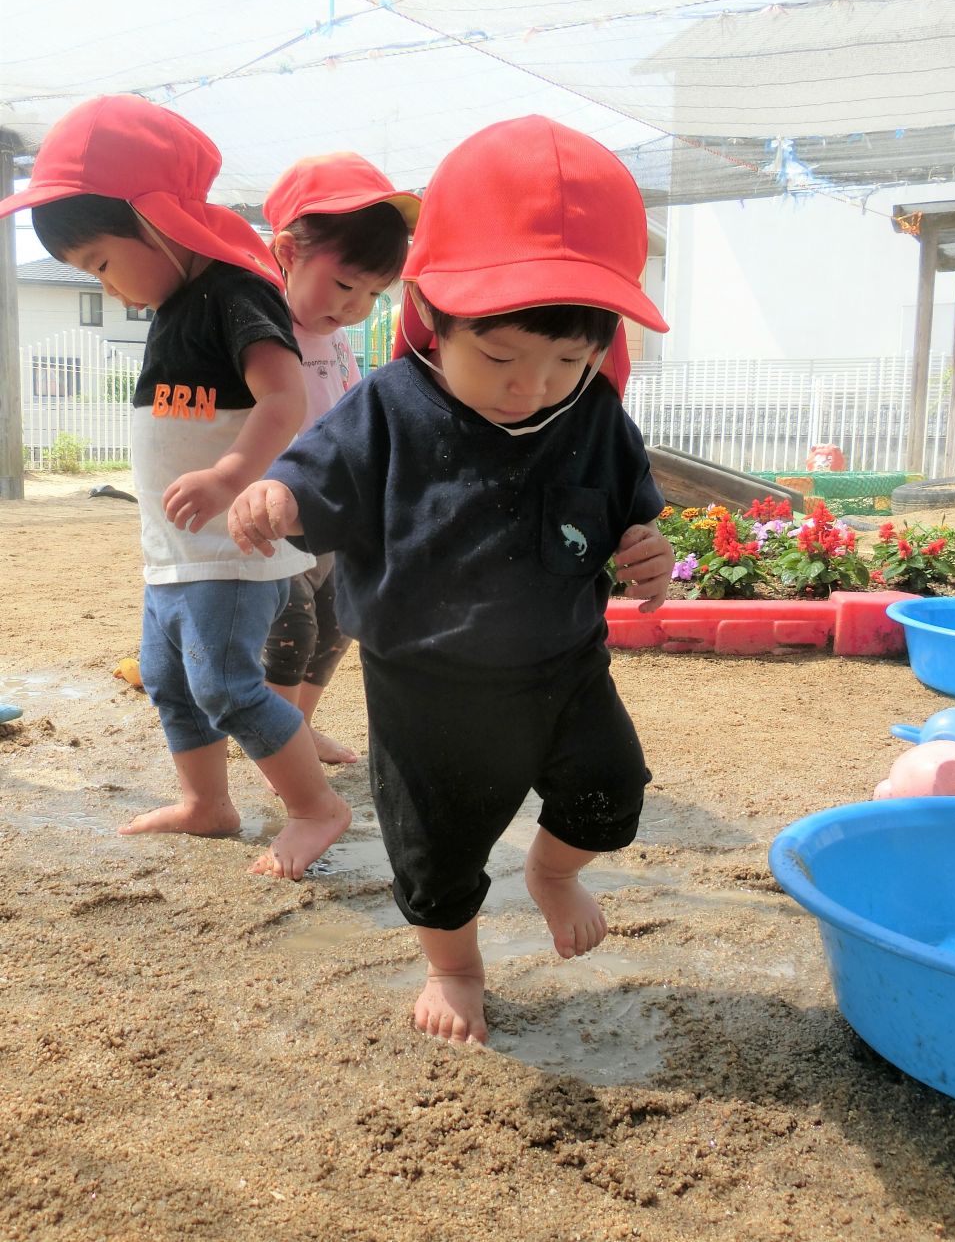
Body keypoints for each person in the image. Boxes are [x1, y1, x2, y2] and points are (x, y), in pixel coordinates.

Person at [228, 115, 673, 1043]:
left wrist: (646, 553)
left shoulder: (593, 412)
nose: (532, 386)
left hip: (563, 665)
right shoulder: (389, 406)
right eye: (501, 357)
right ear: (433, 312)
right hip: (426, 684)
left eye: (567, 359)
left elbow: (635, 512)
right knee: (436, 851)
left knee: (611, 787)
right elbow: (316, 474)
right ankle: (455, 967)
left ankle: (554, 872)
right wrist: (277, 497)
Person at [0, 94, 350, 878]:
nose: (110, 287)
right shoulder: (172, 301)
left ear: (152, 221)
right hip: (173, 551)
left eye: (100, 262)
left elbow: (286, 399)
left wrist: (232, 474)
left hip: (228, 546)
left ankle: (314, 807)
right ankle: (207, 803)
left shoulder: (235, 290)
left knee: (226, 683)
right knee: (168, 679)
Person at [260, 154, 419, 769]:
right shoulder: (260, 326)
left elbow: (349, 412)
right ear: (288, 253)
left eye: (376, 293)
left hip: (330, 509)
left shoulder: (334, 331)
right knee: (290, 628)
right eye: (345, 285)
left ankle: (296, 727)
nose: (357, 306)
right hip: (273, 509)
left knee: (336, 622)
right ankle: (275, 748)